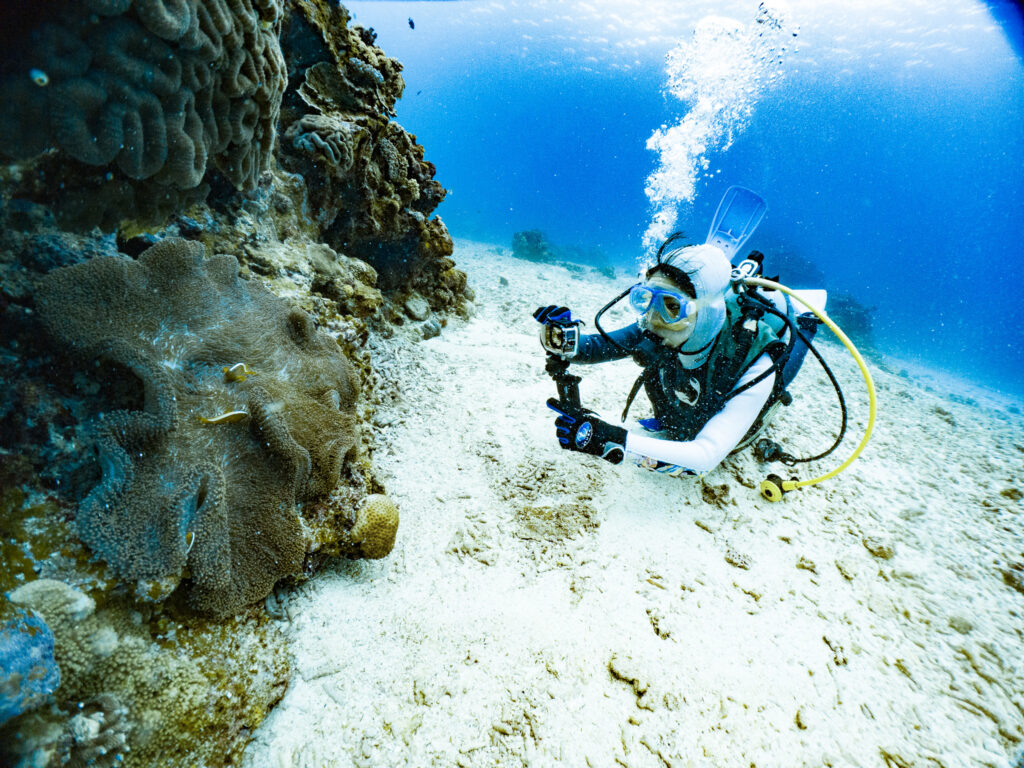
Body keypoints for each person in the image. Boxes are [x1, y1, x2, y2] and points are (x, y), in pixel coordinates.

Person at [535, 231, 818, 477]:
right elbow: (593, 348)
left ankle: (807, 323)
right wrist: (560, 338)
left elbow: (705, 457)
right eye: (645, 299)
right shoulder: (660, 325)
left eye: (672, 306)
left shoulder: (756, 356)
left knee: (780, 380)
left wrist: (611, 438)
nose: (652, 318)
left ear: (705, 313)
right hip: (687, 403)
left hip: (754, 371)